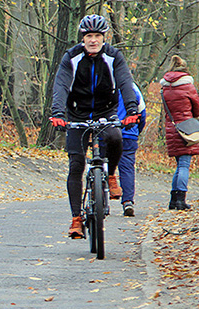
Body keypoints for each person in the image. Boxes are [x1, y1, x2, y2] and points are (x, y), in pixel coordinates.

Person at [49, 14, 141, 239]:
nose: (93, 40)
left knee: (116, 138)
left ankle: (110, 175)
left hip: (104, 111)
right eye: (89, 36)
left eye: (97, 36)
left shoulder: (113, 56)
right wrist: (58, 113)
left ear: (103, 37)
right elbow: (60, 85)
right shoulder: (71, 57)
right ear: (83, 37)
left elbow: (125, 83)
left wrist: (131, 110)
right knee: (76, 165)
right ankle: (76, 219)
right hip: (77, 113)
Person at [160, 55, 199, 210]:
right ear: (184, 69)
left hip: (171, 127)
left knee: (179, 164)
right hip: (187, 127)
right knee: (184, 164)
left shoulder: (164, 87)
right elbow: (197, 109)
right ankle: (180, 199)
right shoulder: (188, 86)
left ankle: (173, 200)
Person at [115, 83, 146, 217]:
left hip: (105, 131)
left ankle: (101, 201)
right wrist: (136, 131)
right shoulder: (133, 88)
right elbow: (142, 113)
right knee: (127, 168)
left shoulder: (101, 84)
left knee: (102, 164)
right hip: (128, 133)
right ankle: (128, 202)